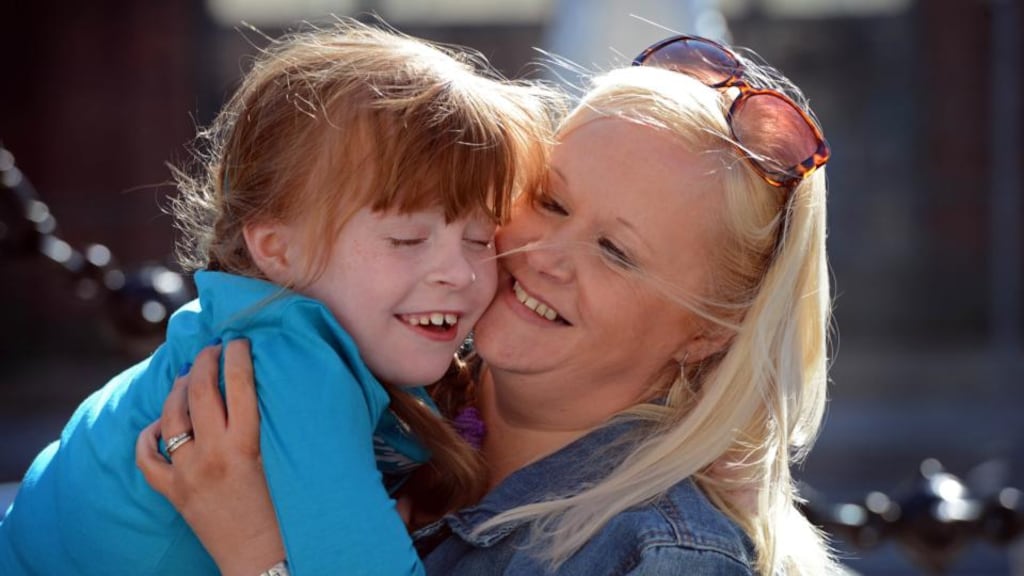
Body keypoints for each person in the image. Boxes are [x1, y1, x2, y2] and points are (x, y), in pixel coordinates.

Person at [139, 34, 839, 575]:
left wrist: (255, 553)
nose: (545, 255)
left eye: (616, 252)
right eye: (550, 200)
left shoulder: (657, 553)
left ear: (709, 331)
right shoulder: (377, 396)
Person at [0, 20, 557, 576]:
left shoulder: (272, 326)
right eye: (407, 238)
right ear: (277, 249)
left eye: (481, 239)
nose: (458, 272)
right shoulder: (290, 365)